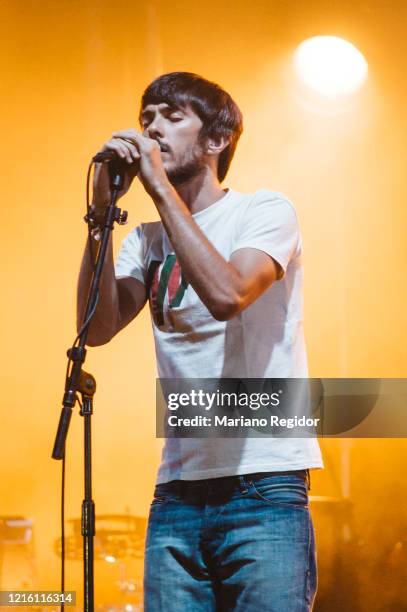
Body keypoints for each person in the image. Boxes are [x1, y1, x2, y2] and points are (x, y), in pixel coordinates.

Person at [77, 71, 323, 611]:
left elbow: (228, 295)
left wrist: (159, 188)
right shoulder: (144, 239)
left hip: (264, 483)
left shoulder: (264, 211)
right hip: (178, 492)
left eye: (172, 116)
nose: (152, 129)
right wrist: (100, 219)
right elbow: (96, 329)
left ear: (216, 140)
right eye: (146, 117)